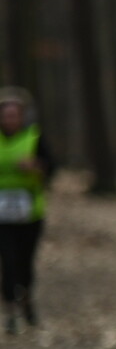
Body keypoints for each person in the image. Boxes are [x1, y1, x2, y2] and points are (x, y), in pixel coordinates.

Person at [0, 87, 54, 336]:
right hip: (2, 215)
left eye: (14, 115)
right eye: (6, 115)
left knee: (25, 261)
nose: (10, 119)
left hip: (30, 211)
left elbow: (52, 168)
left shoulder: (34, 136)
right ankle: (10, 308)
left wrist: (36, 167)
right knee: (7, 261)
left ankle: (27, 298)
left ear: (22, 116)